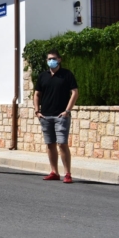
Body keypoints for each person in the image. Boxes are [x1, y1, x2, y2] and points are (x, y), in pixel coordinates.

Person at [34, 49, 78, 183]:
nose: (51, 61)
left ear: (59, 60)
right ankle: (54, 172)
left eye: (53, 58)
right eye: (49, 59)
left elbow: (75, 93)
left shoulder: (67, 75)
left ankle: (67, 173)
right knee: (50, 144)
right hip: (45, 116)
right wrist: (37, 111)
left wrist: (67, 111)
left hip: (61, 116)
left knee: (62, 143)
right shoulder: (43, 76)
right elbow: (36, 94)